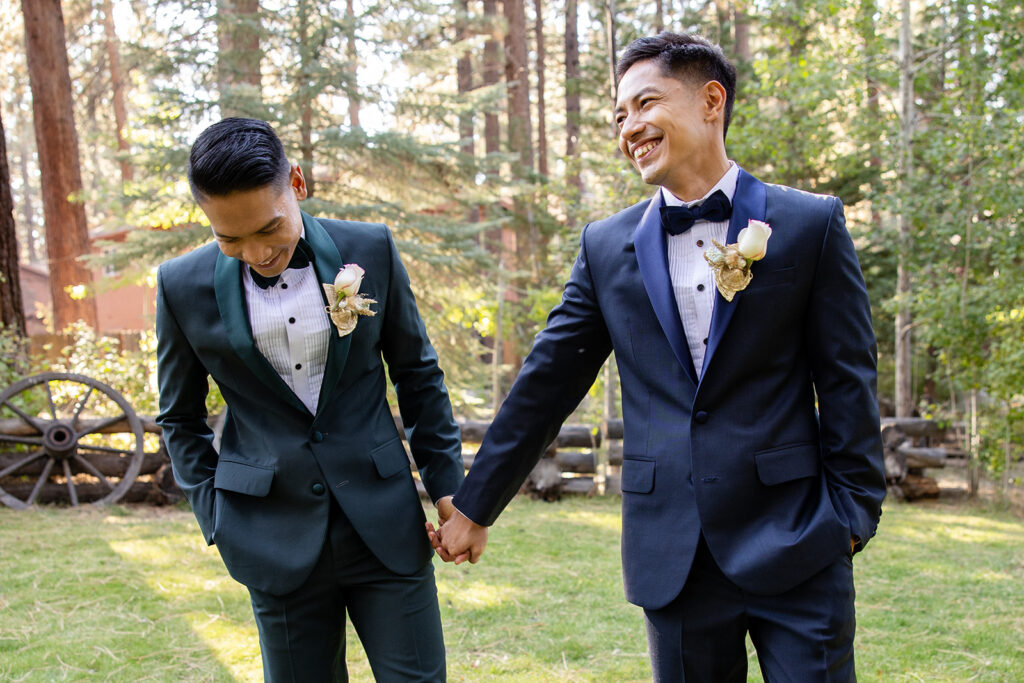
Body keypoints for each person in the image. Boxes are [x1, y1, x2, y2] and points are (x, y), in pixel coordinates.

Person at [431, 33, 886, 681]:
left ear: (710, 101)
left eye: (645, 103)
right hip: (672, 554)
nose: (630, 127)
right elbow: (546, 385)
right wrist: (474, 507)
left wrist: (850, 517)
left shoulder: (810, 225)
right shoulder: (604, 245)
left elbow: (848, 381)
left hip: (799, 541)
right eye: (619, 115)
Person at [156, 117, 464, 682]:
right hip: (270, 539)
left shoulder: (370, 248)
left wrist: (449, 490)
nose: (256, 252)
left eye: (268, 229)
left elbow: (418, 376)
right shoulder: (180, 285)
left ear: (295, 183)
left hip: (385, 528)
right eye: (230, 239)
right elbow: (179, 416)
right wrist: (218, 518)